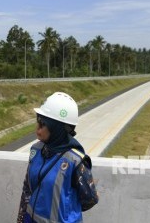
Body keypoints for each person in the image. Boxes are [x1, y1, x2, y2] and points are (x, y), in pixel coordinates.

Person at [17, 92, 99, 223]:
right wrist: (21, 219)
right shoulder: (36, 150)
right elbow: (27, 189)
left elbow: (90, 199)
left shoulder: (75, 161)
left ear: (57, 129)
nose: (37, 128)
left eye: (43, 124)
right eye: (38, 121)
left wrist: (66, 211)